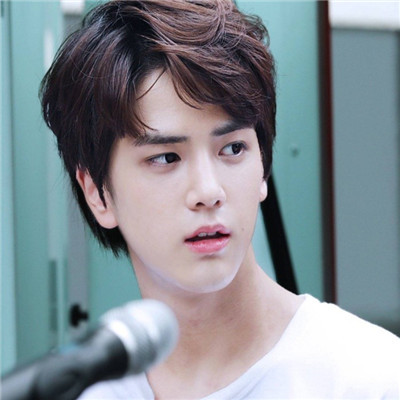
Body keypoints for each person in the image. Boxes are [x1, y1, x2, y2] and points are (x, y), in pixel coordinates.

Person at [40, 0, 400, 398]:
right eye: (166, 158)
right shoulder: (81, 391)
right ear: (97, 193)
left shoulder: (368, 377)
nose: (209, 191)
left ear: (263, 167)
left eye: (232, 149)